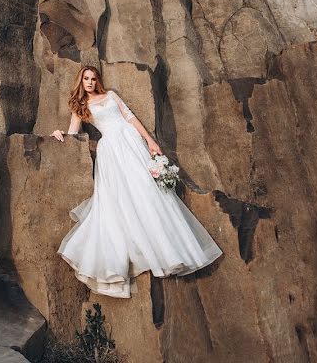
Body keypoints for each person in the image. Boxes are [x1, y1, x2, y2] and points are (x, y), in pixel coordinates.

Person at [51, 65, 222, 298]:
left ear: (97, 80)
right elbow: (73, 133)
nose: (89, 82)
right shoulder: (80, 107)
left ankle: (169, 251)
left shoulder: (111, 95)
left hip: (132, 144)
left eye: (92, 78)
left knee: (147, 192)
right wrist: (58, 134)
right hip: (111, 150)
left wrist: (151, 142)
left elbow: (130, 118)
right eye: (85, 79)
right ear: (80, 82)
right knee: (120, 199)